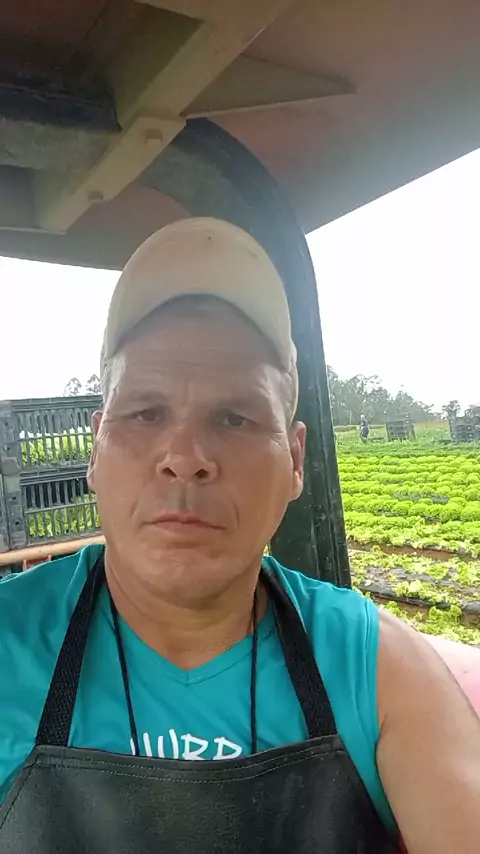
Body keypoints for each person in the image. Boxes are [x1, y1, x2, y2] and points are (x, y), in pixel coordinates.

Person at [0, 218, 479, 854]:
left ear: (295, 460)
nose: (185, 457)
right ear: (95, 449)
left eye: (234, 417)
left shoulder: (378, 671)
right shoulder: (9, 646)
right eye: (145, 412)